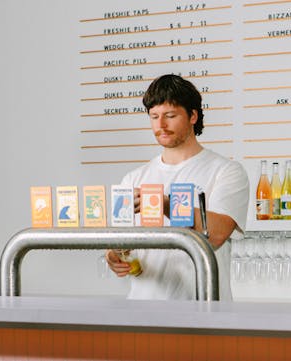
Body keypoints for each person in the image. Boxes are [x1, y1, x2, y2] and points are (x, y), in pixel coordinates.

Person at [105, 74, 249, 300]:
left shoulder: (226, 171)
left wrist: (165, 205)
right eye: (154, 117)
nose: (161, 125)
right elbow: (120, 242)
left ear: (193, 116)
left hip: (202, 313)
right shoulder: (133, 179)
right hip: (141, 314)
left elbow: (218, 234)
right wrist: (114, 256)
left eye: (170, 116)